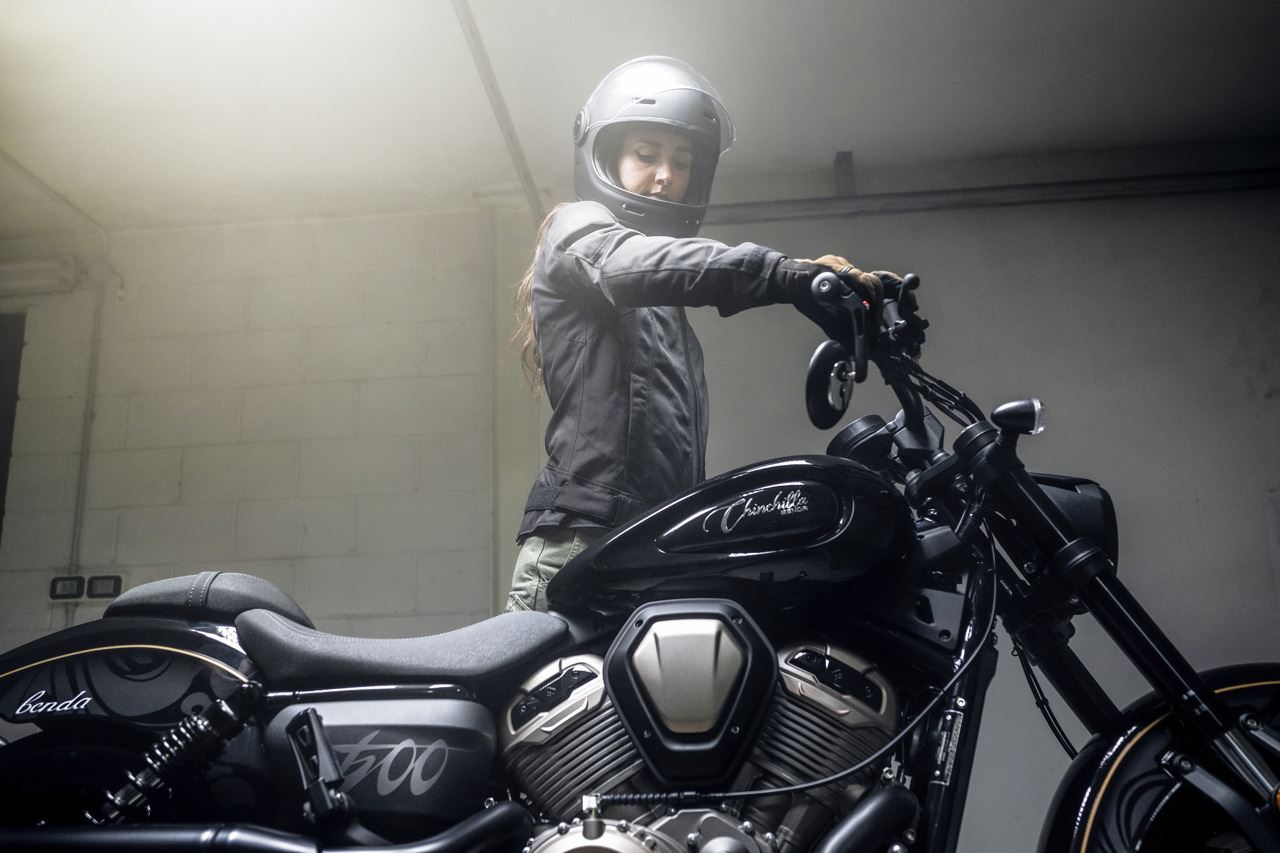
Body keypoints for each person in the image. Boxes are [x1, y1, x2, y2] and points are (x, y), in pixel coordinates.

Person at [506, 56, 895, 612]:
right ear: (607, 156)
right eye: (647, 155)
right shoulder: (579, 229)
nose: (666, 175)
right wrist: (786, 274)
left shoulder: (661, 306)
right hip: (581, 545)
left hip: (647, 549)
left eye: (682, 161)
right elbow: (633, 263)